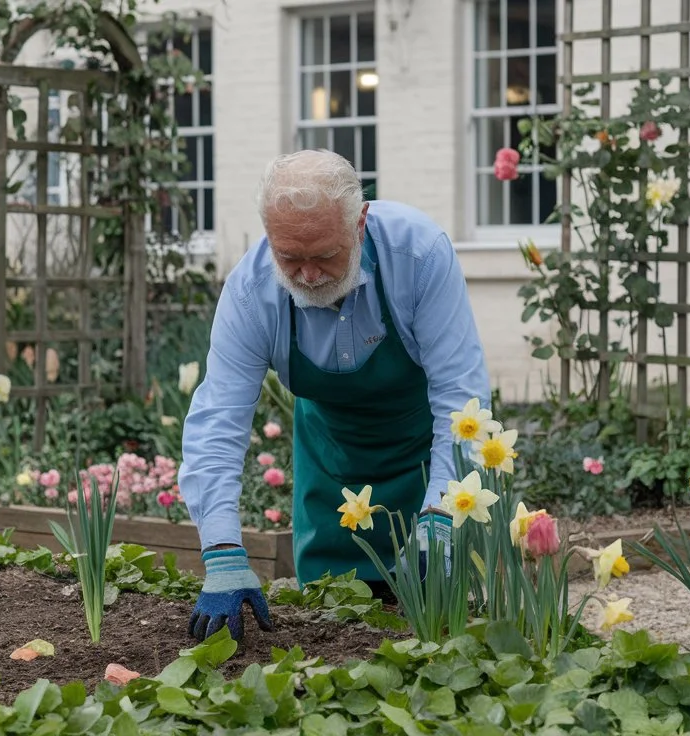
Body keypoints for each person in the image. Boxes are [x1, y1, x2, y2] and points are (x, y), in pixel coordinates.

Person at [180, 149, 493, 643]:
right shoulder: (251, 291)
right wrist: (222, 551)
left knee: (445, 631)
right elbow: (218, 420)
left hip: (426, 458)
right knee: (333, 631)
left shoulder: (419, 255)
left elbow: (461, 400)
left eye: (325, 255)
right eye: (290, 256)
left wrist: (442, 517)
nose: (307, 274)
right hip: (332, 468)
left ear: (360, 222)